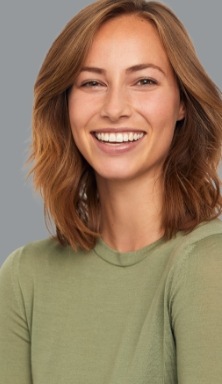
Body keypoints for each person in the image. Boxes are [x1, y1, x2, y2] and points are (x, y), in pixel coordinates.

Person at [0, 0, 222, 382]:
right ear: (65, 104)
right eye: (92, 83)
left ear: (182, 102)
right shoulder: (25, 277)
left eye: (144, 81)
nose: (115, 108)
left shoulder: (208, 263)